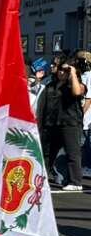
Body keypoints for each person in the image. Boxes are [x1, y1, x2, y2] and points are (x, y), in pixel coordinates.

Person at [36, 56, 86, 190]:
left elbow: (77, 92)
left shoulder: (77, 84)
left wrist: (73, 73)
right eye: (60, 70)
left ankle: (76, 182)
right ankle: (41, 178)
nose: (61, 72)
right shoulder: (51, 86)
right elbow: (43, 106)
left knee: (72, 153)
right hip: (52, 124)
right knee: (46, 153)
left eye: (64, 70)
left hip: (70, 123)